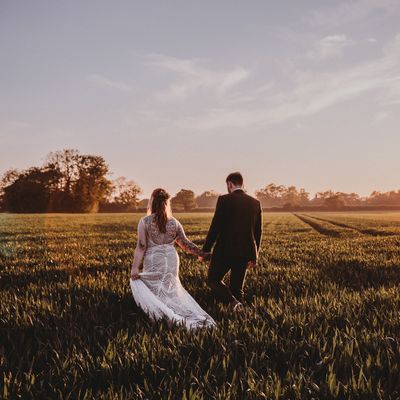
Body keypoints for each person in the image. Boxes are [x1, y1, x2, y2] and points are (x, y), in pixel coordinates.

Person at [129, 188, 216, 330]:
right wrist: (200, 253)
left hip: (154, 258)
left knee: (155, 288)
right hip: (171, 259)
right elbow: (185, 243)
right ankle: (175, 314)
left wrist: (135, 267)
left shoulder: (145, 221)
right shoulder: (174, 222)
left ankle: (161, 316)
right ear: (166, 203)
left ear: (151, 202)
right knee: (171, 289)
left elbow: (141, 245)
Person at [200, 172, 263, 311]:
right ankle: (239, 316)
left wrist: (205, 250)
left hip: (225, 250)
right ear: (242, 184)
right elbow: (258, 232)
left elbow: (215, 227)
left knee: (213, 280)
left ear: (229, 184)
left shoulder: (224, 200)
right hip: (246, 251)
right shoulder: (255, 203)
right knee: (237, 288)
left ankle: (232, 302)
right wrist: (255, 255)